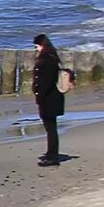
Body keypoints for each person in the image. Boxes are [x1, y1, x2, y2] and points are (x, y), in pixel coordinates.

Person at [34, 34, 69, 167]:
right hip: (51, 97)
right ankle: (51, 154)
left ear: (42, 45)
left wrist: (40, 96)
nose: (36, 49)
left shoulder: (47, 59)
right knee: (51, 128)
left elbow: (46, 81)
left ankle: (52, 156)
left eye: (37, 46)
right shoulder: (52, 56)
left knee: (51, 128)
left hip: (49, 98)